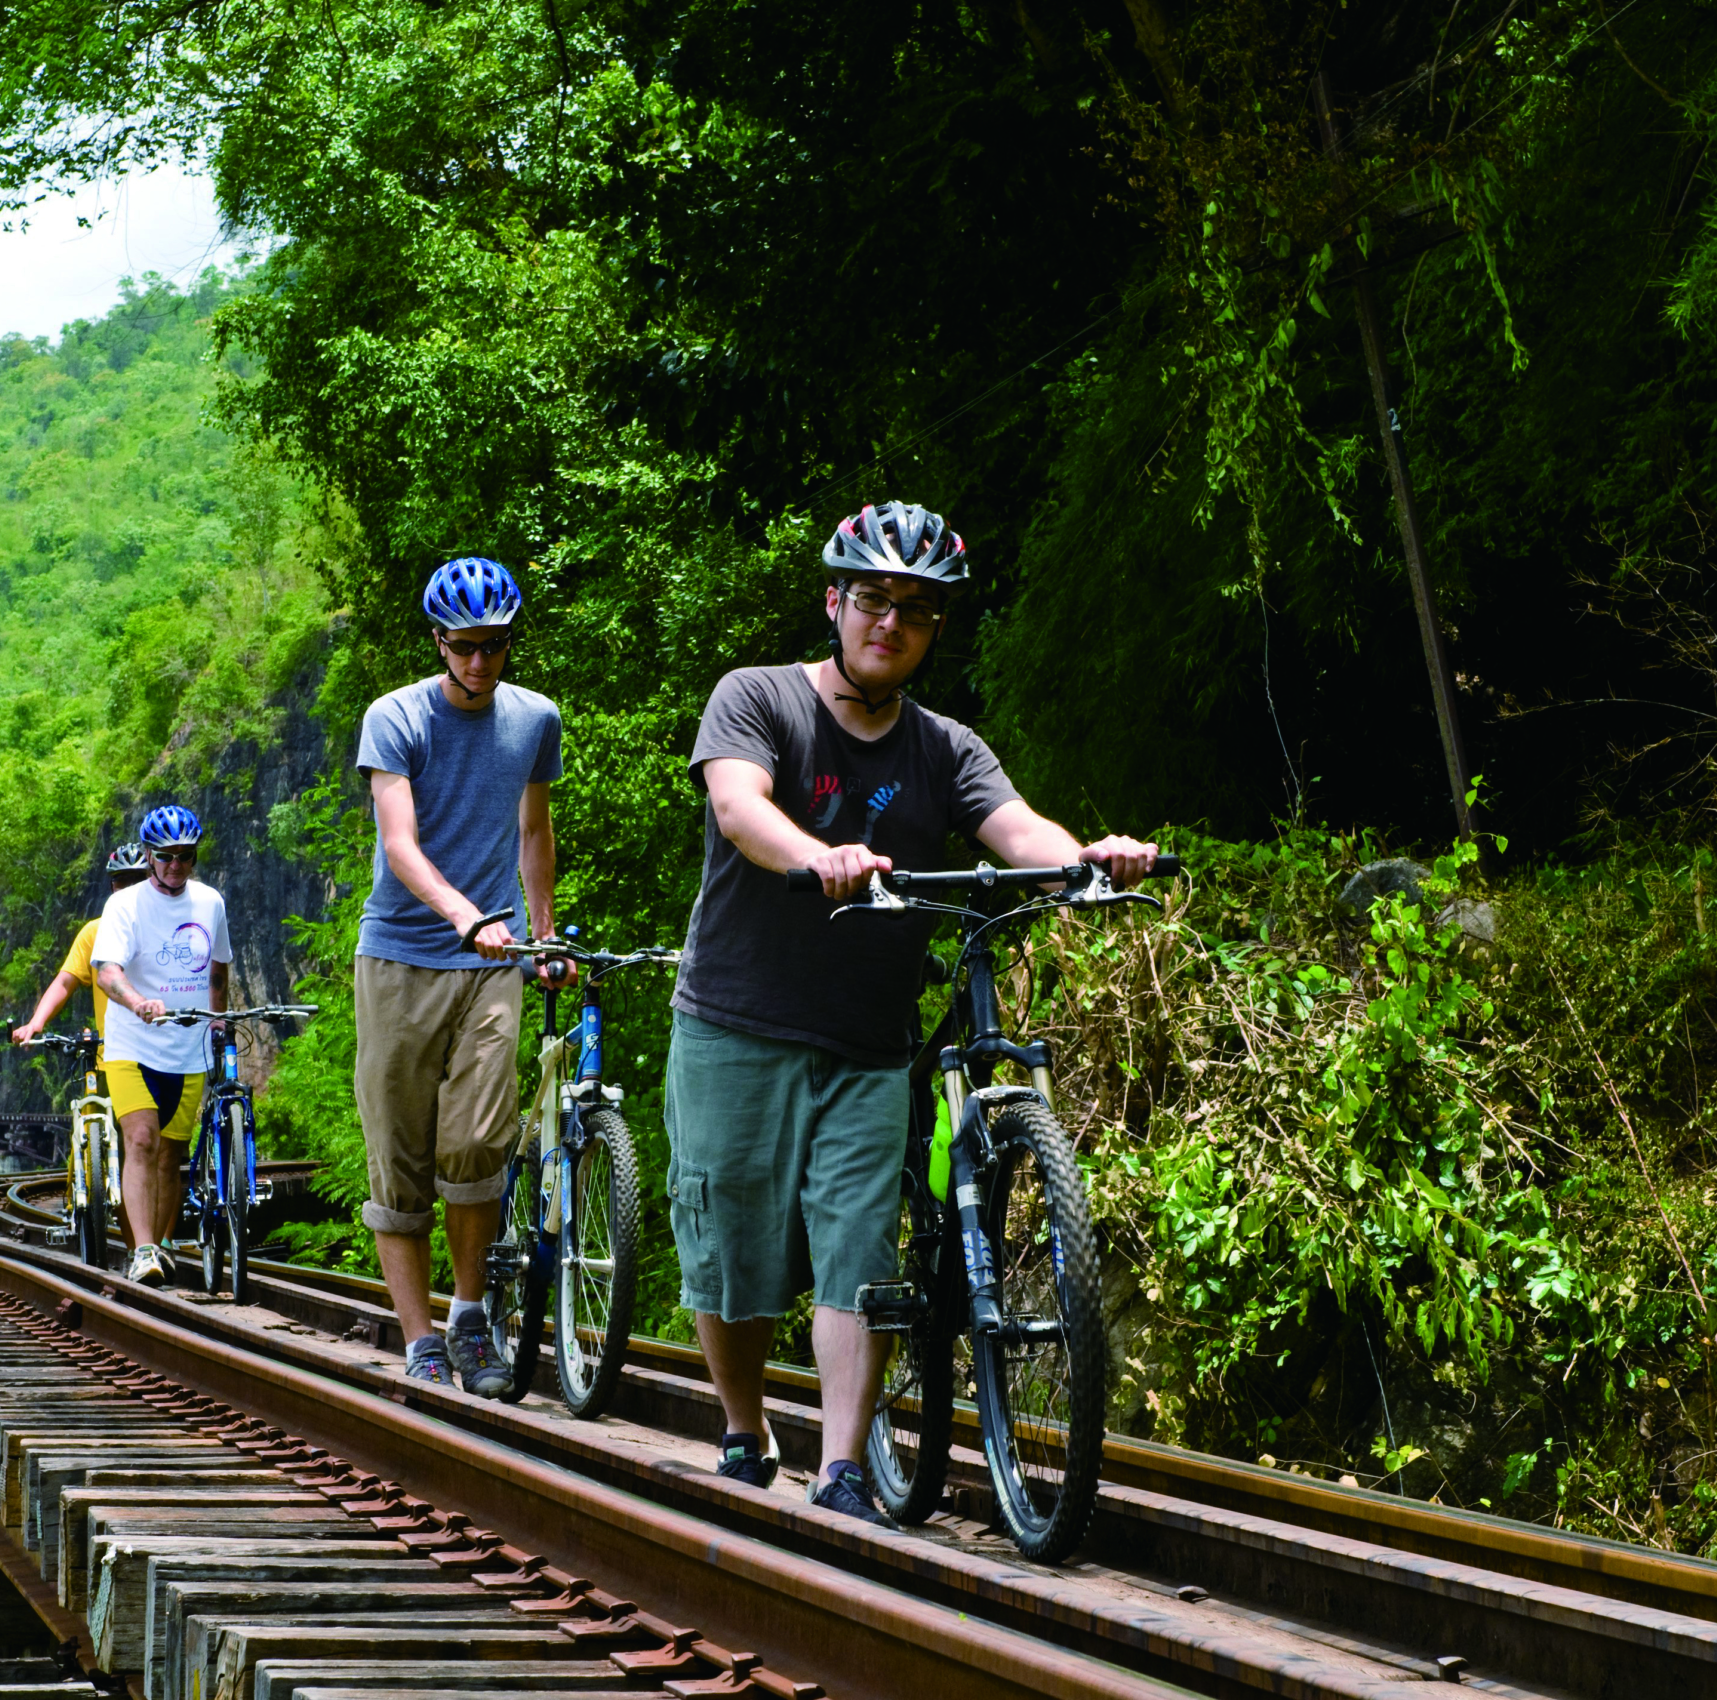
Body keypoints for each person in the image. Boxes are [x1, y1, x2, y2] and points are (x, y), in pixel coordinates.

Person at [666, 500, 1158, 1527]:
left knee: (857, 1248)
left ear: (934, 628)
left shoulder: (944, 746)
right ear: (835, 602)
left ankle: (842, 1464)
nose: (891, 622)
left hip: (864, 1043)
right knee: (733, 1256)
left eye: (917, 610)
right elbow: (738, 805)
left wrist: (1086, 859)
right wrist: (819, 853)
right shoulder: (756, 698)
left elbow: (1014, 824)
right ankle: (746, 1422)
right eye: (875, 600)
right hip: (736, 1021)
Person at [355, 556, 565, 1393]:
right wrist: (462, 914)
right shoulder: (395, 718)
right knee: (399, 1155)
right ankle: (419, 1339)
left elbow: (534, 831)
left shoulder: (535, 719)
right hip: (401, 956)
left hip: (495, 960)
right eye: (466, 646)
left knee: (478, 1142)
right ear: (440, 642)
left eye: (496, 646)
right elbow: (400, 842)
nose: (480, 663)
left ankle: (470, 1316)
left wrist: (539, 931)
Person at [91, 807, 233, 1287]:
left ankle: (165, 1244)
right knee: (142, 1140)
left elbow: (218, 967)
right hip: (132, 1044)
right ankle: (143, 1250)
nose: (175, 865)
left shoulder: (210, 902)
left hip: (188, 1048)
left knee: (172, 1155)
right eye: (166, 856)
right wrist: (137, 1002)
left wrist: (218, 1024)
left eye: (185, 856)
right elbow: (107, 971)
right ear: (150, 857)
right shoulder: (125, 905)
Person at [11, 844, 153, 1049]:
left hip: (163, 1050)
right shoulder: (95, 931)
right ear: (112, 886)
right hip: (112, 1053)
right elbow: (65, 982)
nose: (129, 889)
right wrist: (36, 1022)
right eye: (122, 881)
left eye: (138, 881)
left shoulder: (166, 927)